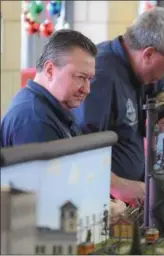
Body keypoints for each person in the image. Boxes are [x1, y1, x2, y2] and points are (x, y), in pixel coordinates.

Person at [72, 7, 164, 202]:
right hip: (103, 201)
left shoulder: (143, 69)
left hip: (133, 195)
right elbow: (79, 149)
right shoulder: (100, 77)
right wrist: (119, 186)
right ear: (148, 54)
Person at [0, 29, 127, 216]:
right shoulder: (34, 118)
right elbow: (48, 204)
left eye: (89, 79)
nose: (87, 89)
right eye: (80, 77)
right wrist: (104, 210)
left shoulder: (55, 108)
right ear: (50, 70)